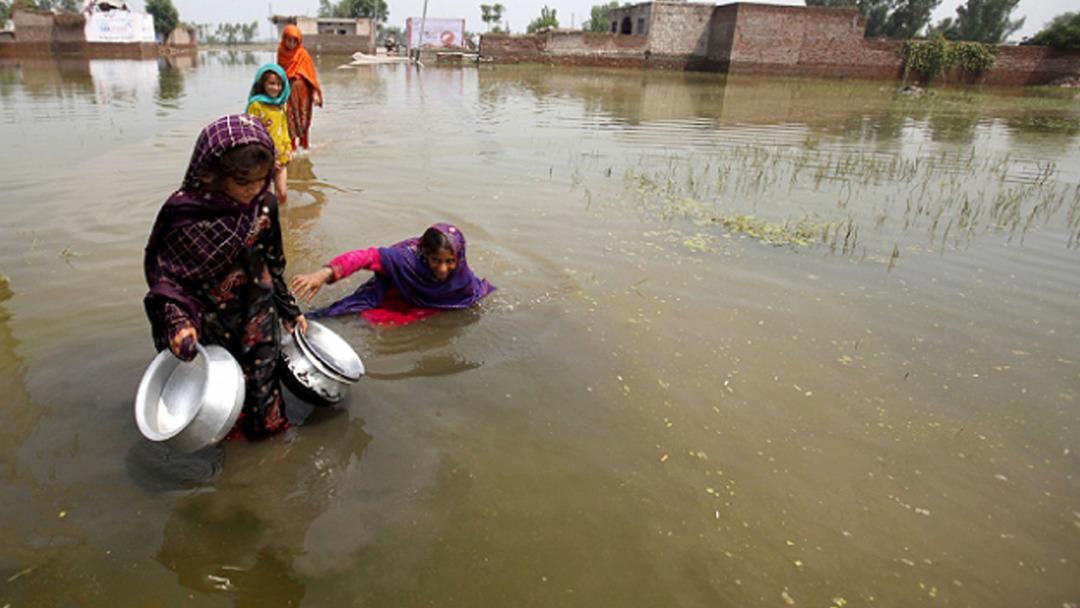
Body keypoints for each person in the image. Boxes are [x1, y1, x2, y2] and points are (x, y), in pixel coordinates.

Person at [143, 115, 307, 439]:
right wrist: (178, 323)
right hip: (209, 317)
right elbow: (167, 281)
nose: (255, 189)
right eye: (243, 182)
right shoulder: (182, 212)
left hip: (257, 311)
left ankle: (269, 456)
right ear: (212, 174)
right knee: (220, 400)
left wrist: (289, 310)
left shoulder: (265, 206)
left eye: (263, 179)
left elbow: (274, 262)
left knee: (264, 388)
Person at [290, 223, 495, 326]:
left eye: (449, 261)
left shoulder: (464, 280)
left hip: (422, 305)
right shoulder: (404, 260)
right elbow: (366, 257)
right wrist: (324, 274)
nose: (442, 269)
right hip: (395, 287)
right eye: (436, 260)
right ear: (425, 255)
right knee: (335, 315)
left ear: (459, 258)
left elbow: (473, 299)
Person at [245, 64, 292, 204]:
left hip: (281, 157)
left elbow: (284, 129)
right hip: (263, 160)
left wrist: (289, 148)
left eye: (279, 84)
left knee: (282, 194)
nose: (275, 88)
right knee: (266, 198)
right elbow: (250, 133)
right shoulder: (256, 105)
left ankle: (283, 222)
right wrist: (267, 160)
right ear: (263, 84)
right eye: (271, 83)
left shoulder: (281, 105)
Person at [276, 24, 323, 151]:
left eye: (294, 41)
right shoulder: (281, 53)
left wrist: (315, 94)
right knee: (289, 120)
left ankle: (304, 147)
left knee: (303, 120)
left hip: (304, 93)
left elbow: (311, 76)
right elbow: (279, 75)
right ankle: (292, 149)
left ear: (299, 41)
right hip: (288, 93)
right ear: (284, 39)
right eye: (289, 40)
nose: (291, 44)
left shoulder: (303, 54)